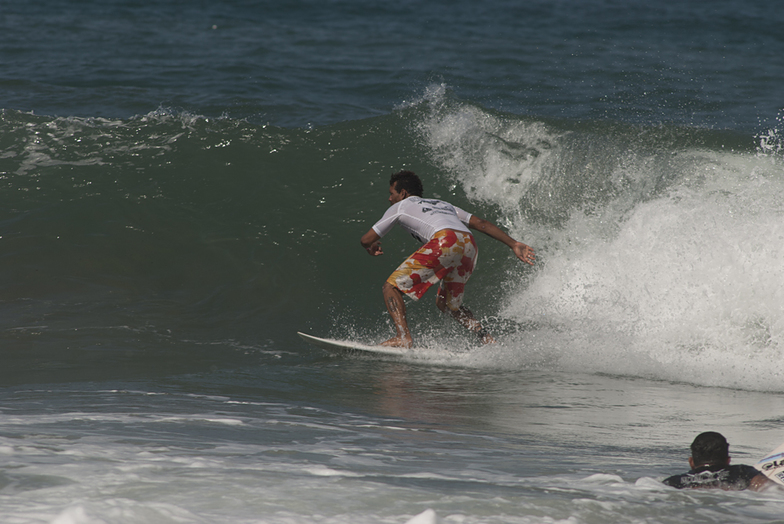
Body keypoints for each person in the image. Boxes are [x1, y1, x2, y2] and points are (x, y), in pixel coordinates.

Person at [360, 170, 535, 348]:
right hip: (469, 244)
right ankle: (488, 340)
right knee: (448, 304)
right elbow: (481, 223)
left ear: (403, 193)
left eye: (392, 193)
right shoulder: (443, 204)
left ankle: (403, 337)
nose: (390, 198)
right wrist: (513, 244)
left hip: (445, 240)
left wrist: (370, 246)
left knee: (391, 287)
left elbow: (366, 239)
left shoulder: (400, 206)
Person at [662, 431, 769, 491]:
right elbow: (771, 490)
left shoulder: (673, 482)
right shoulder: (742, 472)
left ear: (691, 462)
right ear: (728, 461)